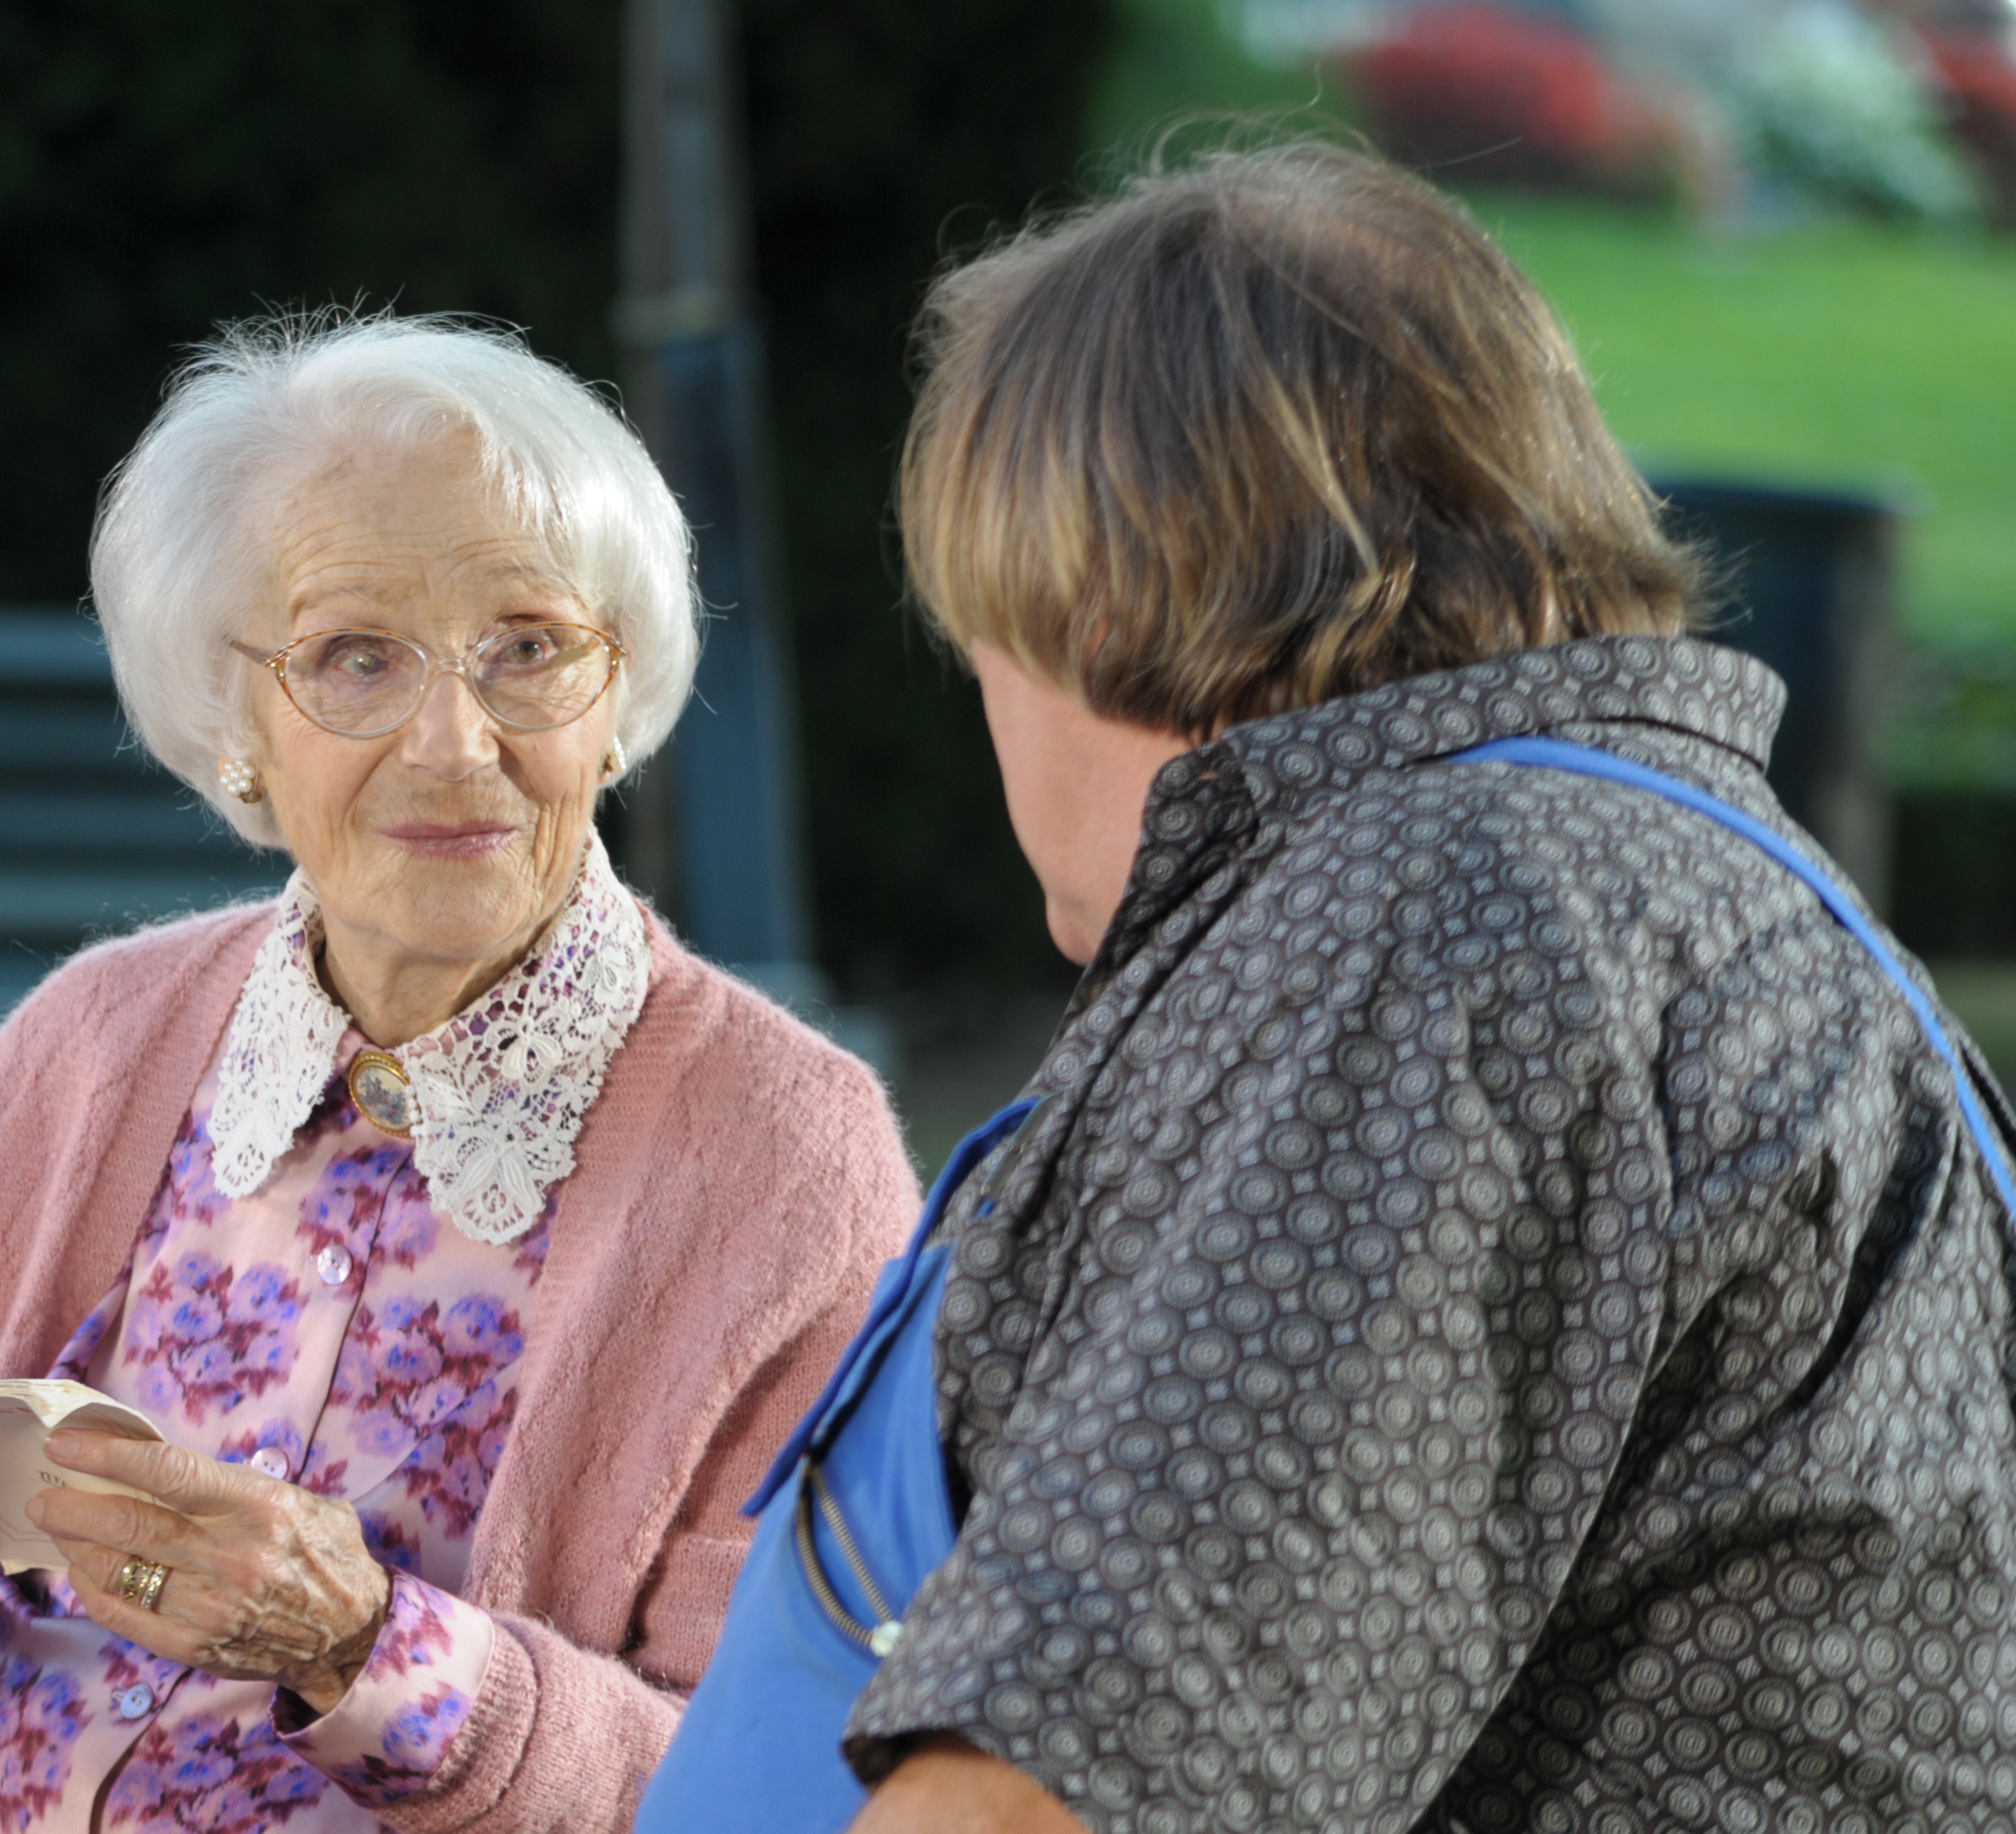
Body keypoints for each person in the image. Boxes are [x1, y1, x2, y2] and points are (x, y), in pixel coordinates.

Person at [643, 142, 2016, 1832]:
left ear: (1092, 578)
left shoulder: (1446, 924)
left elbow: (1083, 1780)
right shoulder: (1643, 890)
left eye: (977, 627)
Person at [0, 314, 921, 1833]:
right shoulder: (81, 1049)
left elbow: (772, 1783)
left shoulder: (781, 1150)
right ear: (238, 733)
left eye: (527, 647)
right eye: (355, 658)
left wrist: (367, 1648)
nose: (454, 743)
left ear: (615, 704)